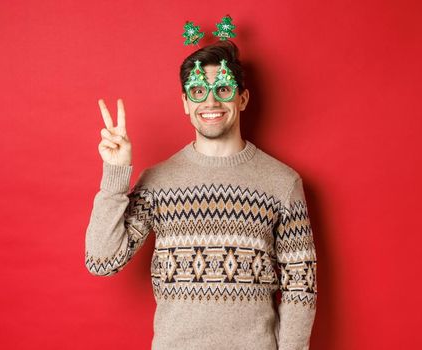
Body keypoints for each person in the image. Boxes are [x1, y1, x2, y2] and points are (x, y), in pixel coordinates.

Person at [85, 40, 318, 350]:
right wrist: (115, 175)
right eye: (198, 92)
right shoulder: (158, 181)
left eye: (223, 89)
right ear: (185, 103)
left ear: (242, 98)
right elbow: (101, 262)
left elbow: (301, 286)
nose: (210, 102)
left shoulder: (282, 183)